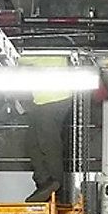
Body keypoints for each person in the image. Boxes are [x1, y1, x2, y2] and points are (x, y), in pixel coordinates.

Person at [22, 56, 74, 202]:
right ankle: (45, 182)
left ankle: (56, 184)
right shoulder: (36, 43)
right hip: (43, 100)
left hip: (55, 99)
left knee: (49, 142)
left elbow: (21, 58)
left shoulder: (46, 45)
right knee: (31, 142)